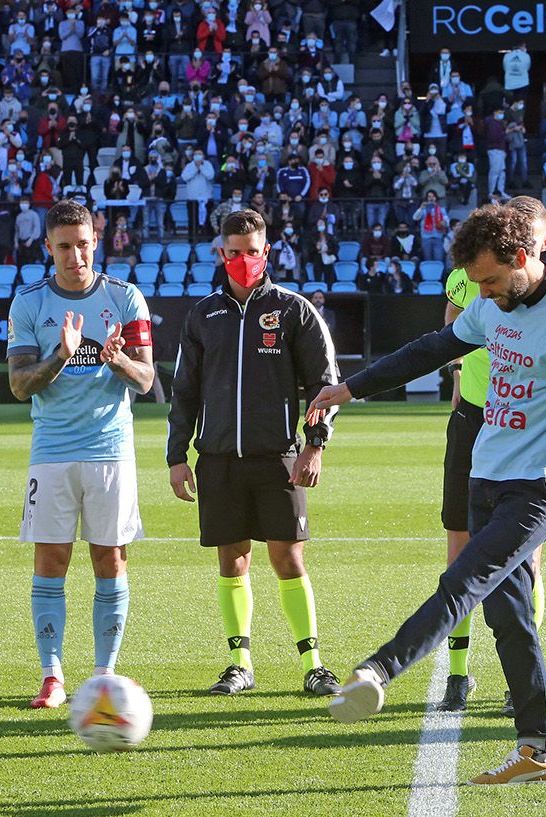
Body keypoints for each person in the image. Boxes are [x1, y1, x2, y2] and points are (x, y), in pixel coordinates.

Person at [308, 198, 546, 786]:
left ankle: (378, 669)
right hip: (486, 474)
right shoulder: (489, 302)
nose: (487, 294)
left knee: (462, 580)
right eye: (478, 284)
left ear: (522, 257)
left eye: (493, 281)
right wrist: (350, 388)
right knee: (510, 618)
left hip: (542, 485)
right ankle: (539, 753)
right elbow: (430, 350)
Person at [166, 208, 342, 698]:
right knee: (233, 560)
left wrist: (314, 446)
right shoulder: (203, 314)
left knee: (288, 558)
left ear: (267, 252)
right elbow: (185, 390)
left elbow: (323, 387)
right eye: (235, 252)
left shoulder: (294, 310)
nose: (244, 260)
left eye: (252, 252)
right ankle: (239, 664)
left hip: (278, 457)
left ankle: (313, 662)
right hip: (218, 458)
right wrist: (176, 455)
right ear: (220, 254)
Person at [6, 200, 155, 709]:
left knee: (109, 557)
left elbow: (148, 378)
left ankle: (103, 674)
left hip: (111, 450)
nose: (75, 255)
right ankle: (51, 675)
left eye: (83, 244)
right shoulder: (28, 304)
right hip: (51, 452)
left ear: (98, 240)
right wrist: (61, 356)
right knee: (51, 558)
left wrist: (116, 360)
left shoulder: (126, 297)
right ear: (48, 247)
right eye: (64, 246)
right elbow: (20, 386)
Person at [437, 257, 546, 714]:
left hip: (521, 424)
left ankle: (517, 680)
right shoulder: (460, 280)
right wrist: (459, 373)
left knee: (526, 559)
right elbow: (450, 322)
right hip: (470, 419)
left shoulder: (536, 289)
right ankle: (458, 674)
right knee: (459, 551)